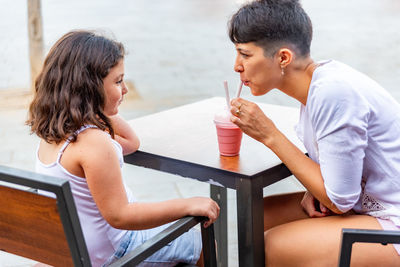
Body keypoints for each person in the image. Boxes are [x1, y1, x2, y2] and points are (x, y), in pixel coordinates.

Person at [227, 0, 400, 266]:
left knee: (273, 245)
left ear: (283, 57)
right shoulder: (319, 86)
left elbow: (340, 201)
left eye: (246, 55)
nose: (237, 66)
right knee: (254, 215)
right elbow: (339, 167)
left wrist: (269, 134)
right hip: (364, 203)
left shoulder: (334, 93)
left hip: (393, 218)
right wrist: (315, 187)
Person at [26, 30, 220, 267]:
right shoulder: (94, 142)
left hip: (72, 248)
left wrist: (98, 108)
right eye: (118, 81)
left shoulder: (54, 133)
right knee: (200, 239)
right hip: (115, 253)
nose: (125, 89)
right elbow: (121, 215)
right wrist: (188, 204)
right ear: (90, 87)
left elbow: (130, 142)